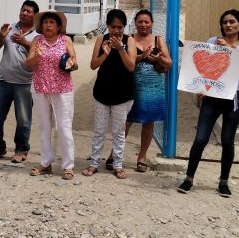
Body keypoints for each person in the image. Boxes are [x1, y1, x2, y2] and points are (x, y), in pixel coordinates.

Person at [177, 9, 239, 198]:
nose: (228, 25)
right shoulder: (211, 42)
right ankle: (188, 178)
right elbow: (206, 68)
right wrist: (201, 88)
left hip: (234, 99)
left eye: (232, 22)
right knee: (200, 139)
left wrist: (229, 50)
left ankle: (223, 182)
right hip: (212, 97)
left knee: (227, 141)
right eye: (225, 22)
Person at [0, 0, 40, 163]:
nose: (24, 13)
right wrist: (1, 36)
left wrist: (25, 42)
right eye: (23, 10)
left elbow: (38, 56)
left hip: (25, 83)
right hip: (3, 81)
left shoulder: (38, 34)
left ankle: (21, 149)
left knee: (23, 119)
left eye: (28, 11)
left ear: (34, 15)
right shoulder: (10, 28)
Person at [82, 9, 137, 179]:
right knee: (99, 130)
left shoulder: (130, 41)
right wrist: (105, 53)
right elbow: (93, 65)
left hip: (123, 94)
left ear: (124, 27)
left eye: (120, 27)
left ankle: (117, 165)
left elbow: (131, 66)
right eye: (113, 26)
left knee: (118, 131)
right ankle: (94, 163)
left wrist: (121, 49)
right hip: (102, 92)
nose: (116, 30)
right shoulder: (101, 39)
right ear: (107, 26)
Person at [25, 10, 77, 180]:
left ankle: (68, 166)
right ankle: (46, 162)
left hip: (62, 89)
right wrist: (36, 56)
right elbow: (28, 64)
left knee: (64, 127)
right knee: (44, 126)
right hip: (40, 88)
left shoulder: (66, 40)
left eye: (52, 22)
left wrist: (71, 63)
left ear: (59, 26)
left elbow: (74, 63)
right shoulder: (37, 40)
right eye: (45, 22)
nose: (48, 25)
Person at [124, 9, 172, 172]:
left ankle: (142, 156)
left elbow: (169, 62)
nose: (143, 25)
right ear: (135, 23)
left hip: (154, 87)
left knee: (149, 121)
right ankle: (115, 153)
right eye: (140, 22)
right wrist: (142, 56)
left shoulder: (158, 40)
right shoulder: (129, 39)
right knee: (126, 120)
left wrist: (159, 58)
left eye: (146, 22)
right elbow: (125, 60)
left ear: (152, 23)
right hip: (132, 85)